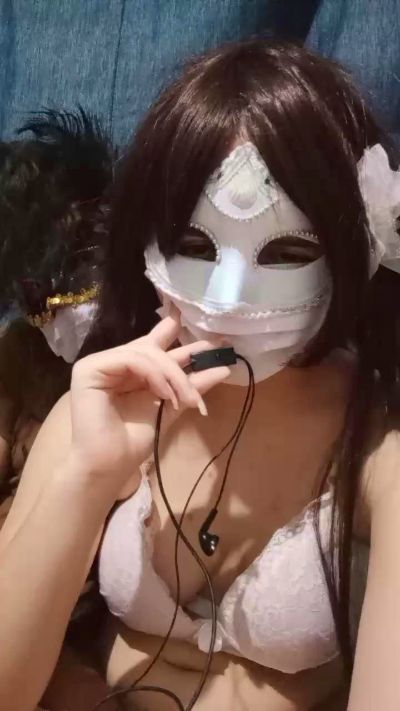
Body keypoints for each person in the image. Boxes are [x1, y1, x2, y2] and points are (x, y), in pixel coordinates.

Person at [1, 38, 400, 711]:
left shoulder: (377, 447)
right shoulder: (103, 406)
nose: (228, 297)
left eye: (288, 250)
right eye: (193, 244)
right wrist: (87, 475)